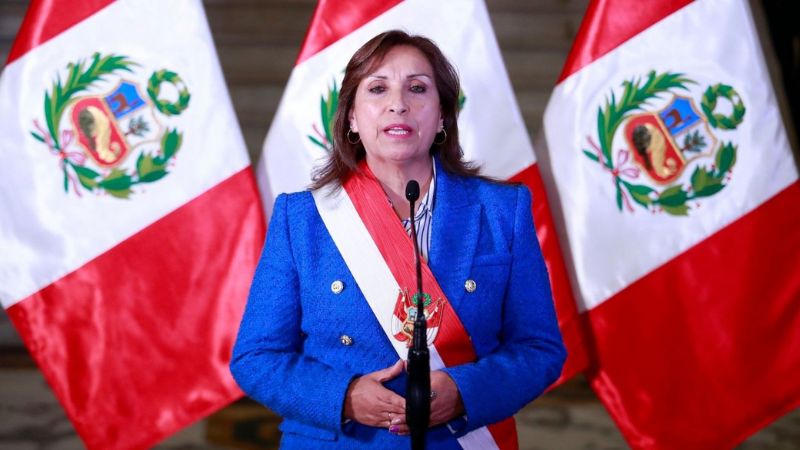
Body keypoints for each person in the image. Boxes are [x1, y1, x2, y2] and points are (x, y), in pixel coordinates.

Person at [230, 30, 566, 449]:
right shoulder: (302, 219)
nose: (398, 103)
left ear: (442, 116)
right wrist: (344, 397)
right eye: (377, 88)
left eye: (417, 88)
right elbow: (256, 357)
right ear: (352, 117)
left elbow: (539, 349)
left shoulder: (502, 211)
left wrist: (466, 391)